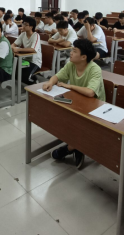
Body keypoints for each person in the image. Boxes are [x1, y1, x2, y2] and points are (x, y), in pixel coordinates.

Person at [45, 39, 106, 169]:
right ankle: (76, 147)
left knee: (79, 125)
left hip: (95, 108)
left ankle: (70, 148)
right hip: (77, 103)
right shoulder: (71, 64)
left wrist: (70, 86)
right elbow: (57, 76)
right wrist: (50, 82)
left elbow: (90, 92)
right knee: (60, 116)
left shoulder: (95, 69)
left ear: (84, 57)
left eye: (74, 51)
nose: (70, 53)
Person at [12, 17, 42, 85]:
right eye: (23, 24)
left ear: (31, 27)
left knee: (25, 78)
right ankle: (31, 77)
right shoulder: (23, 34)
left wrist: (18, 49)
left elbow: (33, 49)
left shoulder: (36, 35)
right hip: (25, 60)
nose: (23, 26)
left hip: (35, 61)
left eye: (26, 24)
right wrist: (12, 47)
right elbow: (14, 44)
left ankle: (35, 82)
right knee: (16, 74)